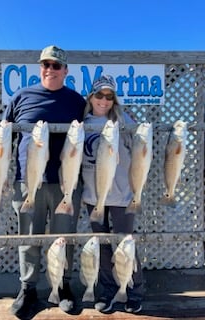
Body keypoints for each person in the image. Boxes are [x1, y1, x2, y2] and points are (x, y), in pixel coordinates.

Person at [3, 45, 86, 319]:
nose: (50, 69)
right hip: (28, 184)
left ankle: (62, 287)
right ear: (41, 68)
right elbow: (5, 140)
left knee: (64, 238)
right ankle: (27, 289)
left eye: (56, 65)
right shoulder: (21, 97)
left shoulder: (76, 101)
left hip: (65, 185)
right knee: (29, 238)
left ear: (66, 70)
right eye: (45, 64)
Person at [81, 75, 144, 314]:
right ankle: (108, 291)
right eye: (99, 95)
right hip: (92, 195)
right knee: (102, 245)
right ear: (91, 97)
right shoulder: (82, 122)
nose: (104, 100)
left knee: (126, 245)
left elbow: (140, 150)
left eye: (109, 96)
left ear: (114, 99)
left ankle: (134, 290)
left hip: (121, 195)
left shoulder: (124, 119)